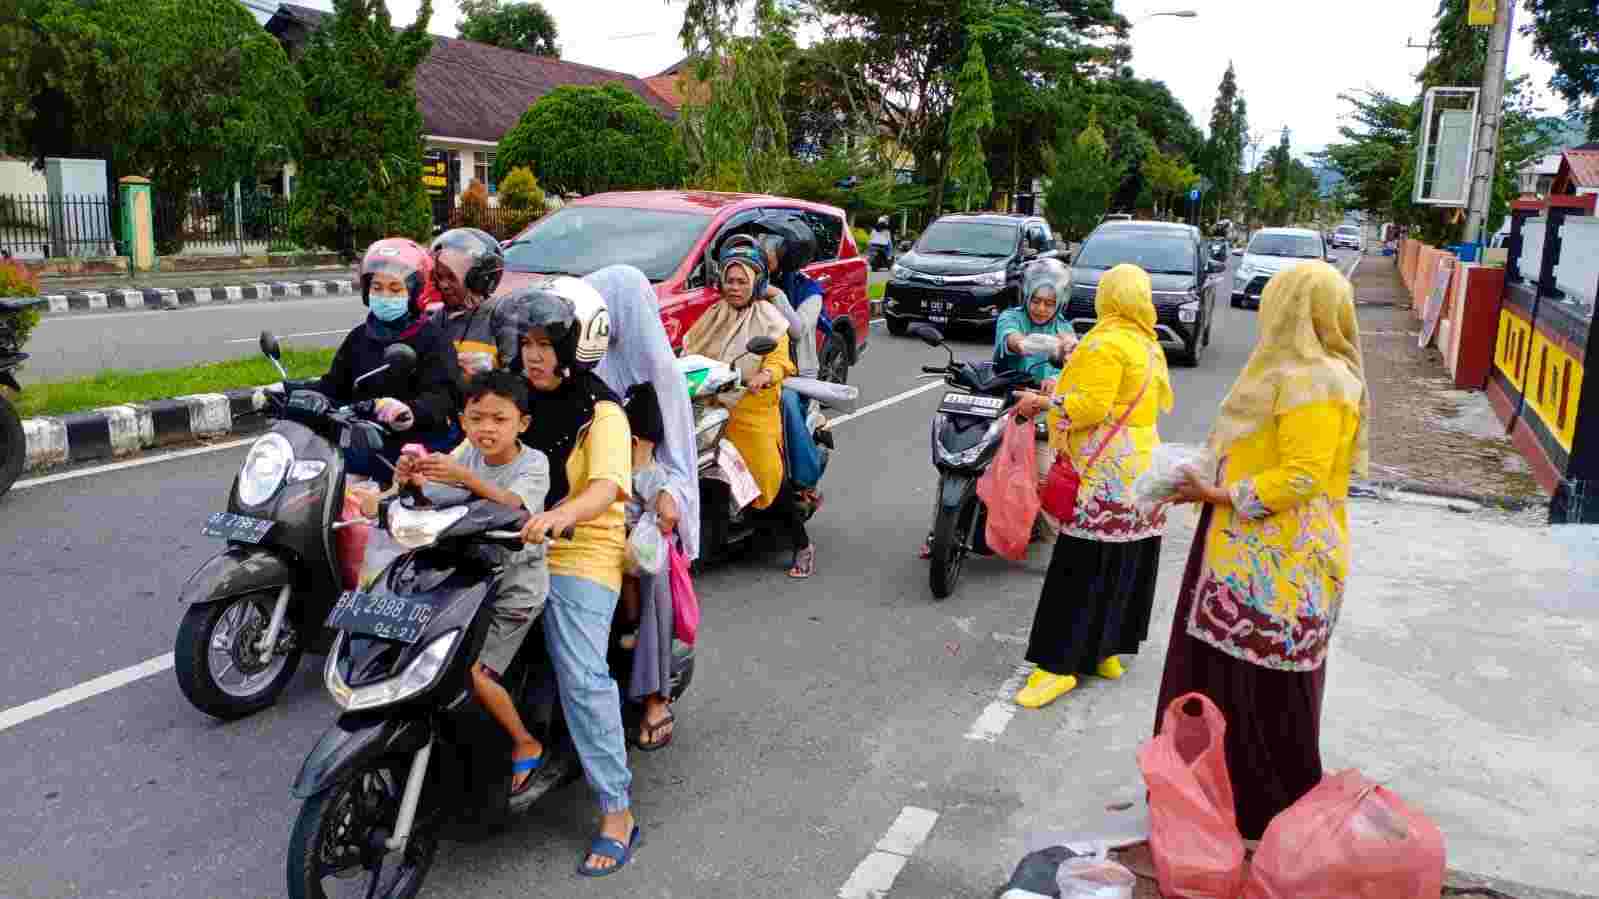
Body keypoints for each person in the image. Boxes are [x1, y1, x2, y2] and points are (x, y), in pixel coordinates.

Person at [1160, 260, 1368, 839]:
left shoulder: (1318, 381)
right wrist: (1199, 487)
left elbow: (1301, 477)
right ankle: (1211, 796)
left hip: (1280, 562)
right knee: (1224, 679)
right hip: (1241, 547)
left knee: (1259, 692)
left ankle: (1258, 814)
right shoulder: (1283, 370)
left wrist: (1220, 493)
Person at [503, 278, 639, 876]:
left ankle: (617, 810)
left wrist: (560, 515)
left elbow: (607, 487)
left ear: (578, 345)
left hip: (579, 549)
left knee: (583, 674)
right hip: (510, 541)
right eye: (526, 342)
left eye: (546, 342)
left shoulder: (602, 411)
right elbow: (473, 447)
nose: (533, 354)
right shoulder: (514, 398)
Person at [1012, 263, 1173, 710]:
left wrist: (1045, 401)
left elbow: (1089, 407)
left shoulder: (1106, 342)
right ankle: (1106, 650)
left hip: (1106, 470)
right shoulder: (1147, 342)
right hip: (1144, 466)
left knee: (1080, 564)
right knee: (1125, 557)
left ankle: (1059, 666)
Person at [391, 370, 551, 795]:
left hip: (515, 585)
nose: (487, 429)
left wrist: (462, 477)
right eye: (477, 418)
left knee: (473, 672)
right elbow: (435, 496)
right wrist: (413, 479)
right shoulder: (467, 453)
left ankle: (524, 741)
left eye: (499, 419)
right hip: (469, 575)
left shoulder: (533, 464)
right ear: (463, 420)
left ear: (522, 423)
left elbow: (515, 507)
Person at [585, 263, 700, 752]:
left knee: (644, 573)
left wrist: (662, 495)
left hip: (637, 500)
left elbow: (662, 462)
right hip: (581, 499)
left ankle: (655, 697)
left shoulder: (653, 380)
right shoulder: (580, 370)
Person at [682, 244, 812, 578]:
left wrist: (764, 375)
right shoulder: (714, 314)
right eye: (729, 280)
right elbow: (690, 347)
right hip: (710, 405)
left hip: (752, 410)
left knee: (770, 477)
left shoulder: (771, 320)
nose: (734, 287)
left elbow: (781, 361)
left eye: (742, 281)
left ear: (756, 282)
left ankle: (802, 544)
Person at [313, 237, 463, 484]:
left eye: (395, 289)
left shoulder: (432, 337)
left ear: (415, 292)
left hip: (414, 455)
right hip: (362, 447)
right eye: (377, 287)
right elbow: (333, 387)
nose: (384, 295)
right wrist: (283, 391)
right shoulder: (359, 337)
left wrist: (410, 411)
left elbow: (444, 397)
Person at [429, 227, 514, 375]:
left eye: (451, 277)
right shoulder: (438, 318)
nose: (443, 285)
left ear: (478, 279)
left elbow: (520, 378)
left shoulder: (502, 317)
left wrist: (494, 369)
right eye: (439, 277)